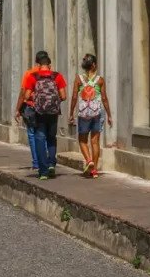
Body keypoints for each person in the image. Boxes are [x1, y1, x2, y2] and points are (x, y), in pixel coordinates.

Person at [22, 51, 67, 180]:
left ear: (38, 64)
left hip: (39, 113)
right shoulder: (57, 76)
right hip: (53, 112)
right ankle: (52, 164)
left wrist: (36, 97)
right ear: (50, 65)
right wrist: (53, 101)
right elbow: (64, 96)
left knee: (40, 138)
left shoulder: (33, 76)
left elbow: (26, 96)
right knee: (51, 138)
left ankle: (43, 171)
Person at [68, 54, 113, 178]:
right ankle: (94, 171)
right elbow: (104, 98)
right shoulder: (100, 80)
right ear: (94, 65)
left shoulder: (78, 79)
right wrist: (109, 115)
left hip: (83, 114)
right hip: (97, 113)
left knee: (82, 140)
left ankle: (89, 161)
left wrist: (71, 113)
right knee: (95, 141)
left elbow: (74, 97)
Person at [13, 67, 39, 171]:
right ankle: (47, 162)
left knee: (32, 135)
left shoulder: (30, 73)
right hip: (47, 110)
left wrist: (17, 109)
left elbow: (23, 92)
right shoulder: (53, 74)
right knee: (44, 135)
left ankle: (36, 163)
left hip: (31, 108)